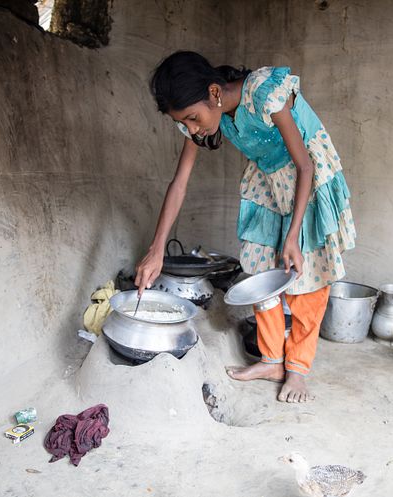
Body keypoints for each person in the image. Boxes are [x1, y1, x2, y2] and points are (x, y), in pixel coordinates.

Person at [135, 51, 356, 403]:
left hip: (309, 183)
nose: (192, 129)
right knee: (261, 272)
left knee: (308, 279)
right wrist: (157, 248)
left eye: (192, 118)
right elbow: (179, 183)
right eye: (185, 123)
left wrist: (294, 236)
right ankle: (272, 360)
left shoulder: (264, 92)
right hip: (269, 182)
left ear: (214, 92)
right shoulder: (211, 116)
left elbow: (305, 167)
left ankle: (297, 369)